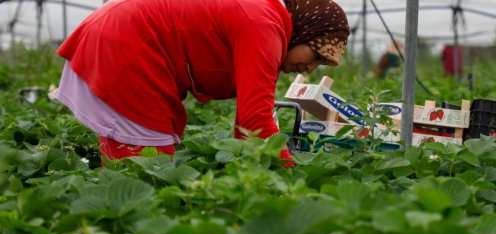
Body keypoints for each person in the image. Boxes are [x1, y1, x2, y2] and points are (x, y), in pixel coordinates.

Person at [55, 0, 349, 164]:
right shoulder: (263, 27)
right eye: (315, 54)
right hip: (127, 42)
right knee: (150, 169)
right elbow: (255, 120)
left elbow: (246, 128)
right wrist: (289, 174)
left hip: (120, 32)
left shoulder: (264, 18)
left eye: (320, 64)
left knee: (143, 158)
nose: (310, 68)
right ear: (304, 32)